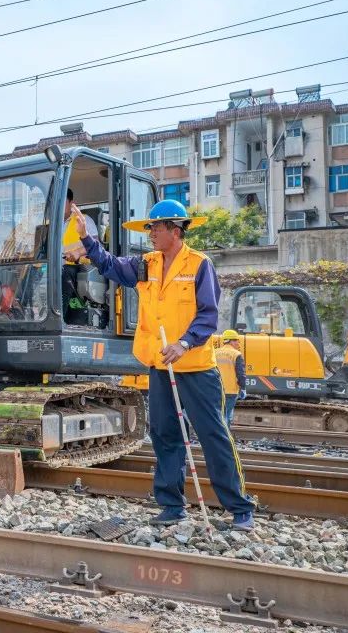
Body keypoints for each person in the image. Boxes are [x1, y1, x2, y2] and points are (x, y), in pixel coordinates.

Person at [73, 199, 254, 531]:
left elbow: (208, 316)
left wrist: (184, 343)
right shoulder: (146, 264)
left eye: (155, 228)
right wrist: (87, 239)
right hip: (160, 366)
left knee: (214, 434)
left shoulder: (200, 265)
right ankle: (172, 505)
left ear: (175, 229)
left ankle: (240, 508)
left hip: (196, 368)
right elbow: (110, 265)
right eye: (150, 228)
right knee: (165, 435)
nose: (150, 233)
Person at [62, 188, 99, 325]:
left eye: (63, 201)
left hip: (79, 266)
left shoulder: (83, 220)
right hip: (54, 267)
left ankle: (59, 317)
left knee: (66, 272)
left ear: (72, 203)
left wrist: (77, 252)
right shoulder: (51, 224)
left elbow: (96, 245)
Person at [215, 330, 247, 428]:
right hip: (230, 391)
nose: (238, 343)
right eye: (237, 340)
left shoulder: (215, 353)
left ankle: (217, 437)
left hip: (216, 389)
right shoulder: (236, 354)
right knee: (226, 416)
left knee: (218, 415)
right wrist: (243, 388)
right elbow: (241, 374)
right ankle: (225, 438)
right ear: (231, 341)